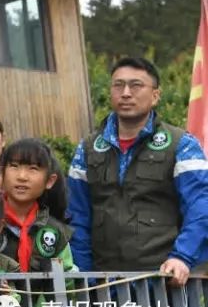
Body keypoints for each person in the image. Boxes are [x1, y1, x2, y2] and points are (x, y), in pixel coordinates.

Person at [68, 56, 208, 285]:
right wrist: (84, 277)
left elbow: (202, 205)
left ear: (155, 96)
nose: (125, 93)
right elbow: (77, 216)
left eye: (136, 85)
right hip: (104, 284)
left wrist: (182, 257)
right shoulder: (87, 149)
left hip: (163, 281)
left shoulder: (181, 144)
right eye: (118, 85)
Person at [0, 139, 75, 307]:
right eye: (14, 166)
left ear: (49, 181)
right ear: (1, 173)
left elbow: (63, 286)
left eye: (33, 169)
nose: (22, 176)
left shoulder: (55, 232)